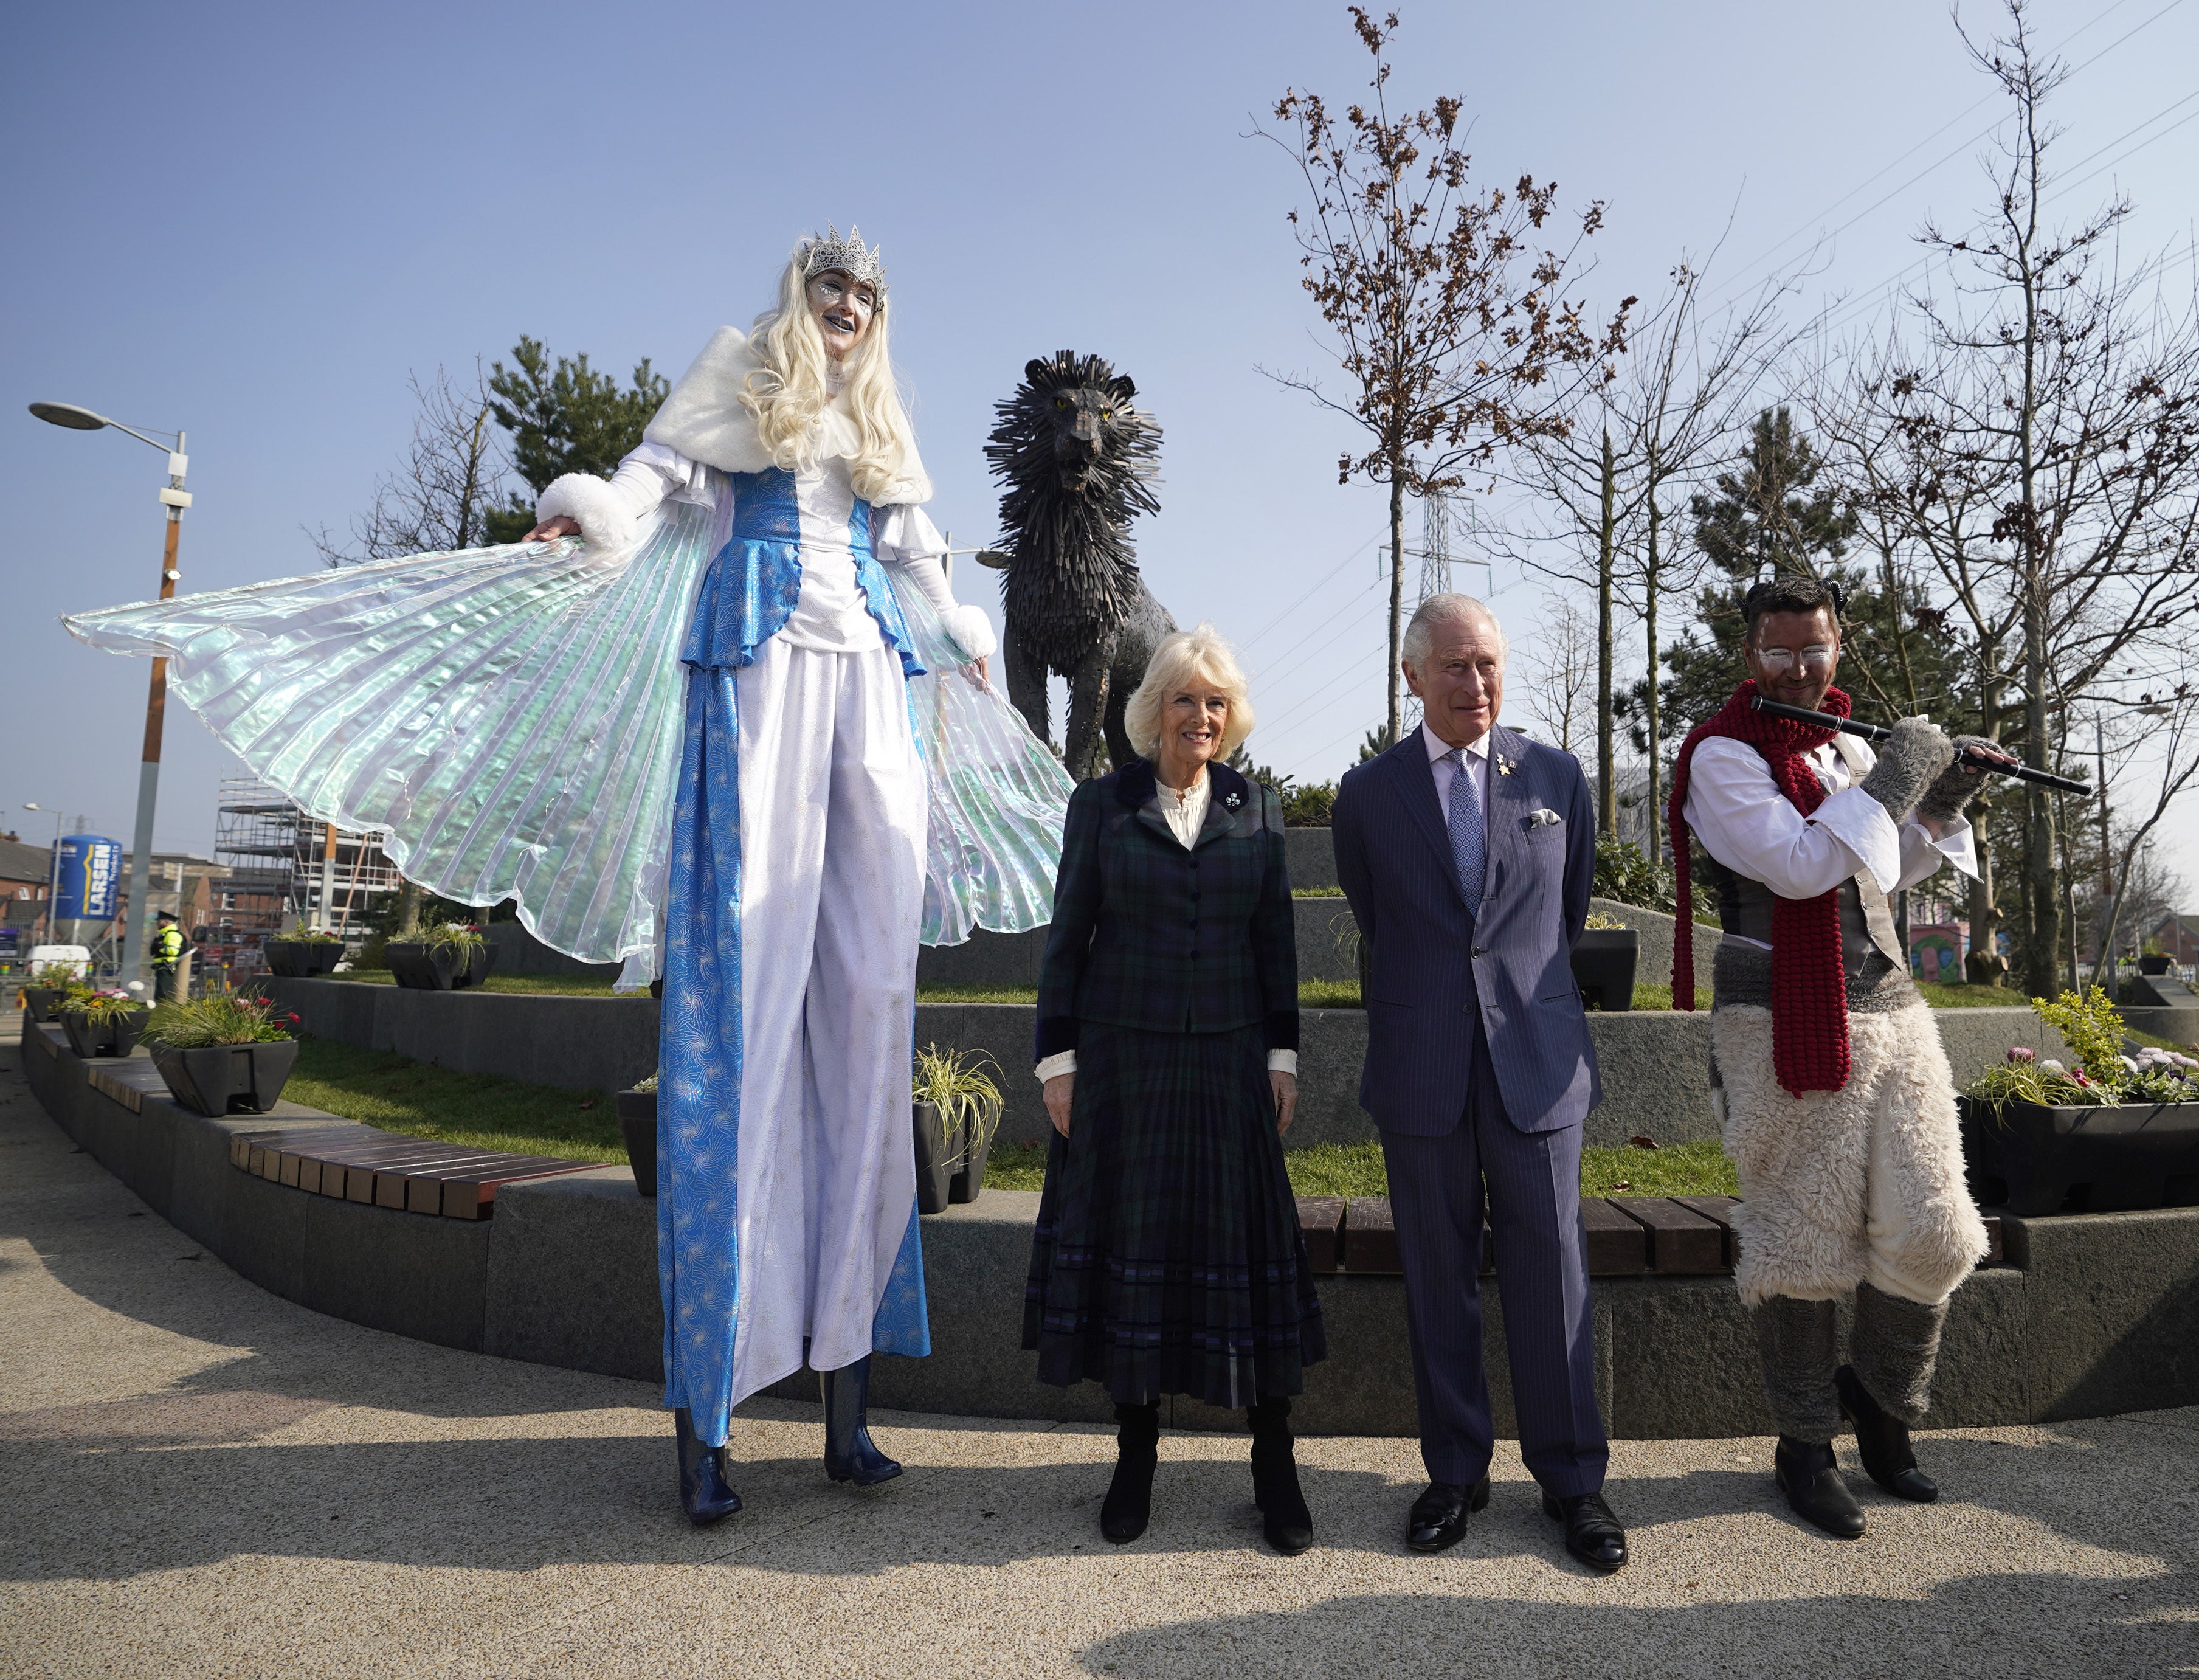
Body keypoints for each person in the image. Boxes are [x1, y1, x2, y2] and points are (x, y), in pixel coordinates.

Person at [62, 229, 1071, 1527]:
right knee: (742, 1024)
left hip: (871, 680)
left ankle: (846, 1403)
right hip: (760, 664)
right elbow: (649, 483)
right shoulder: (736, 379)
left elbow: (923, 558)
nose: (848, 309)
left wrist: (961, 637)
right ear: (797, 295)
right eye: (832, 288)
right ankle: (706, 1421)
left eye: (867, 296)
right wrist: (585, 514)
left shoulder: (883, 427)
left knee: (868, 1026)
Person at [1666, 574, 2008, 1539]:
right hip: (1779, 1013)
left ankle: (1884, 1405)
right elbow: (1804, 864)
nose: (1800, 668)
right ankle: (1806, 1443)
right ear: (1750, 655)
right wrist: (1899, 775)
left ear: (1838, 645)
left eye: (1814, 649)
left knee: (1939, 1226)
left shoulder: (1849, 745)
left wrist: (1944, 797)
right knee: (1803, 1242)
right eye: (1779, 652)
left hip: (1893, 1004)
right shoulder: (1721, 754)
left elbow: (1889, 863)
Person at [1331, 593, 1628, 1576]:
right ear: (1412, 675)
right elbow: (1380, 921)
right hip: (1422, 1072)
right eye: (1455, 666)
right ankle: (1454, 1471)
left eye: (1489, 663)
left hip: (1536, 1069)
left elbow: (1569, 910)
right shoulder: (1368, 795)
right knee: (1437, 1281)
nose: (1476, 683)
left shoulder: (1555, 776)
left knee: (1554, 1279)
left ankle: (1574, 1482)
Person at [1024, 624, 1324, 1554]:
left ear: (1231, 719)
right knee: (1134, 1258)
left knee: (1250, 1260)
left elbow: (1276, 946)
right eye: (1188, 698)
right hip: (1125, 1068)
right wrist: (1058, 1062)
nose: (1203, 715)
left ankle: (1273, 1459)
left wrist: (1283, 1055)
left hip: (1232, 1064)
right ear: (1156, 708)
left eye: (1218, 702)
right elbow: (1066, 939)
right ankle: (1135, 1452)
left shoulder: (1258, 806)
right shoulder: (1101, 805)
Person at [148, 912, 184, 1003]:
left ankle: (162, 1011)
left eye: (159, 921)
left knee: (164, 995)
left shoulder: (173, 935)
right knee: (160, 994)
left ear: (167, 922)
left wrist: (161, 948)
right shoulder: (165, 935)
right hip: (163, 968)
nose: (157, 923)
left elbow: (173, 951)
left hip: (168, 969)